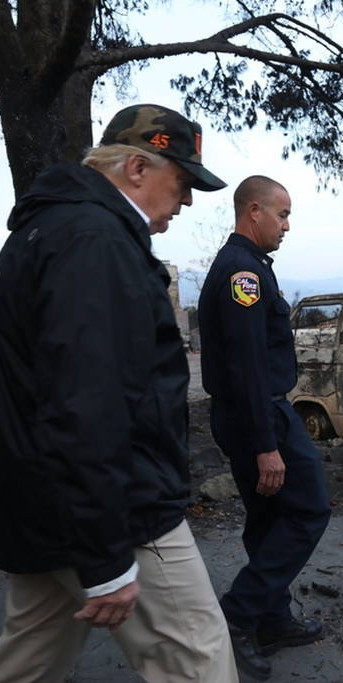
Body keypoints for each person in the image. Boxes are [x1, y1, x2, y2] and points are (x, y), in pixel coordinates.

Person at [0, 104, 238, 683]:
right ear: (137, 167)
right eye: (181, 183)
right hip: (120, 511)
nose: (185, 202)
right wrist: (107, 557)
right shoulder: (95, 241)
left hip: (40, 503)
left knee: (27, 663)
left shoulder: (44, 231)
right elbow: (86, 403)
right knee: (197, 660)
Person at [198, 175, 332, 680]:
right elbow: (249, 365)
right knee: (309, 511)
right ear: (253, 212)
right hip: (259, 413)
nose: (287, 225)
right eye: (282, 214)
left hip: (246, 412)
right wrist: (266, 445)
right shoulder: (242, 273)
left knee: (268, 520)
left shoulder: (249, 267)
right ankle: (237, 616)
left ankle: (273, 620)